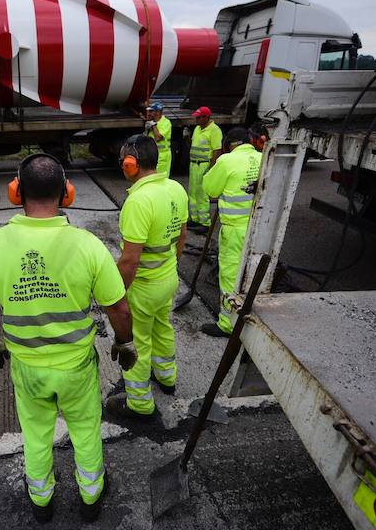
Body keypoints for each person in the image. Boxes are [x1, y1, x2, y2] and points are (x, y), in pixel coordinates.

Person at [0, 153, 136, 524]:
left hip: (28, 368)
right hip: (76, 366)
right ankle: (91, 496)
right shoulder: (87, 244)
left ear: (16, 192)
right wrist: (125, 343)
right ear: (67, 193)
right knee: (86, 430)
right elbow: (119, 309)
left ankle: (41, 501)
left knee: (36, 434)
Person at [106, 135, 188, 420]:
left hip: (143, 287)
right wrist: (170, 268)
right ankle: (167, 377)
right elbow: (182, 237)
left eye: (122, 162)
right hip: (168, 280)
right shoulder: (176, 188)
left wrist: (115, 297)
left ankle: (139, 403)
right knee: (162, 327)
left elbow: (130, 260)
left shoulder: (138, 201)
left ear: (131, 164)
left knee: (137, 342)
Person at [200, 127, 262, 336]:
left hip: (235, 230)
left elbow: (210, 189)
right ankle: (252, 313)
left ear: (229, 144)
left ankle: (227, 324)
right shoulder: (263, 158)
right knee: (252, 273)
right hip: (260, 227)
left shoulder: (226, 161)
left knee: (229, 275)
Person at [187, 106, 223, 234]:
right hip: (194, 165)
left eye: (198, 117)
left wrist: (211, 170)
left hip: (204, 165)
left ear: (206, 117)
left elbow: (216, 151)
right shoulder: (197, 129)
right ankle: (195, 219)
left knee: (202, 194)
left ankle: (205, 223)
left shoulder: (214, 130)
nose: (196, 119)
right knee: (193, 193)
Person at [145, 102, 172, 176]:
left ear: (158, 112)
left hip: (162, 156)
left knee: (161, 179)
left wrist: (153, 125)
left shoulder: (166, 123)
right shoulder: (152, 123)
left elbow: (158, 138)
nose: (149, 113)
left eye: (151, 111)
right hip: (153, 155)